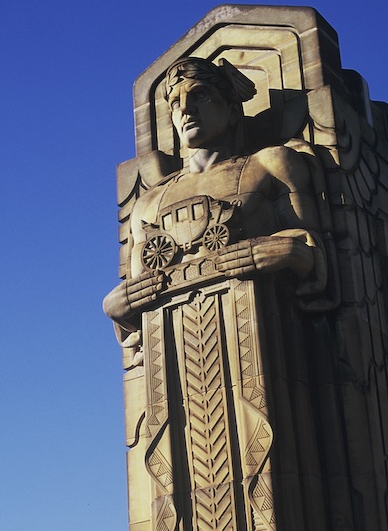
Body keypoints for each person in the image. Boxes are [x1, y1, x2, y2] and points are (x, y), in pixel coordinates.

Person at [103, 56, 326, 328]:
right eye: (175, 103)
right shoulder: (147, 204)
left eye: (200, 95)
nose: (186, 108)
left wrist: (285, 251)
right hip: (172, 340)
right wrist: (116, 307)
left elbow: (316, 256)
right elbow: (139, 299)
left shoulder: (270, 164)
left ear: (232, 111)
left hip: (263, 325)